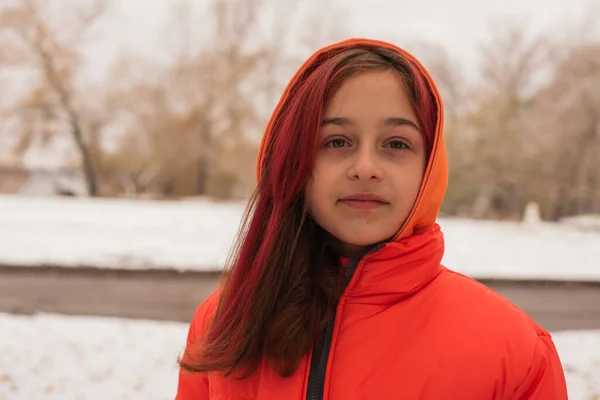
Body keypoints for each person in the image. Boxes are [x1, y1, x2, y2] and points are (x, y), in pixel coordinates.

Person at [175, 38, 568, 399]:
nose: (365, 168)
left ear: (429, 166)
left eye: (396, 143)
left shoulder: (514, 352)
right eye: (336, 141)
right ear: (293, 159)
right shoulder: (223, 321)